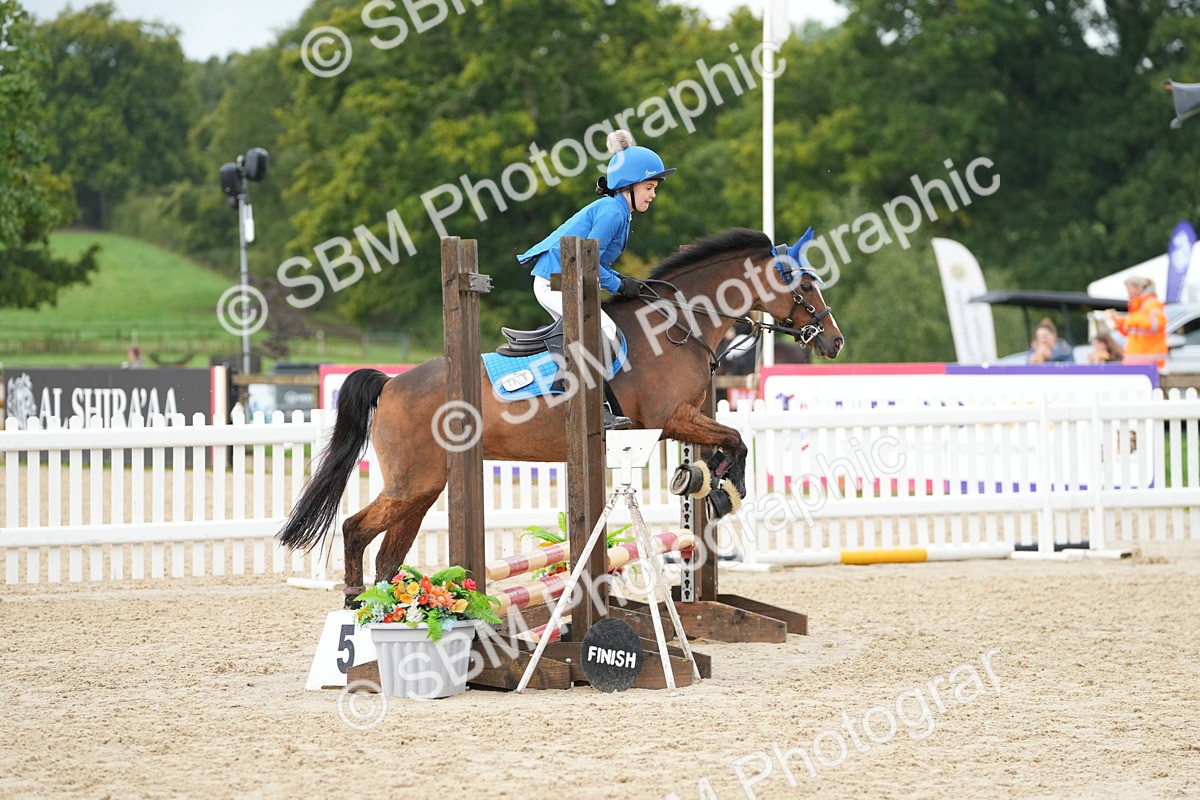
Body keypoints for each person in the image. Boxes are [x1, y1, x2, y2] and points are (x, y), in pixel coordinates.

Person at [516, 129, 676, 429]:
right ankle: (590, 404)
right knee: (603, 329)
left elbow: (594, 261)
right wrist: (618, 284)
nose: (653, 194)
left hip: (564, 279)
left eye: (654, 188)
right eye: (649, 187)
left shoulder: (619, 212)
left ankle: (588, 397)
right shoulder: (613, 212)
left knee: (598, 330)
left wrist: (623, 280)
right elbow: (586, 259)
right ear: (628, 186)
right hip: (555, 281)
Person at [1106, 277, 1168, 369]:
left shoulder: (1152, 304)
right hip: (1136, 359)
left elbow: (1156, 325)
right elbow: (1129, 332)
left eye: (1129, 289)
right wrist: (1118, 321)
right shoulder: (1137, 306)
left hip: (1149, 360)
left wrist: (1129, 319)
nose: (1128, 292)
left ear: (1138, 288)